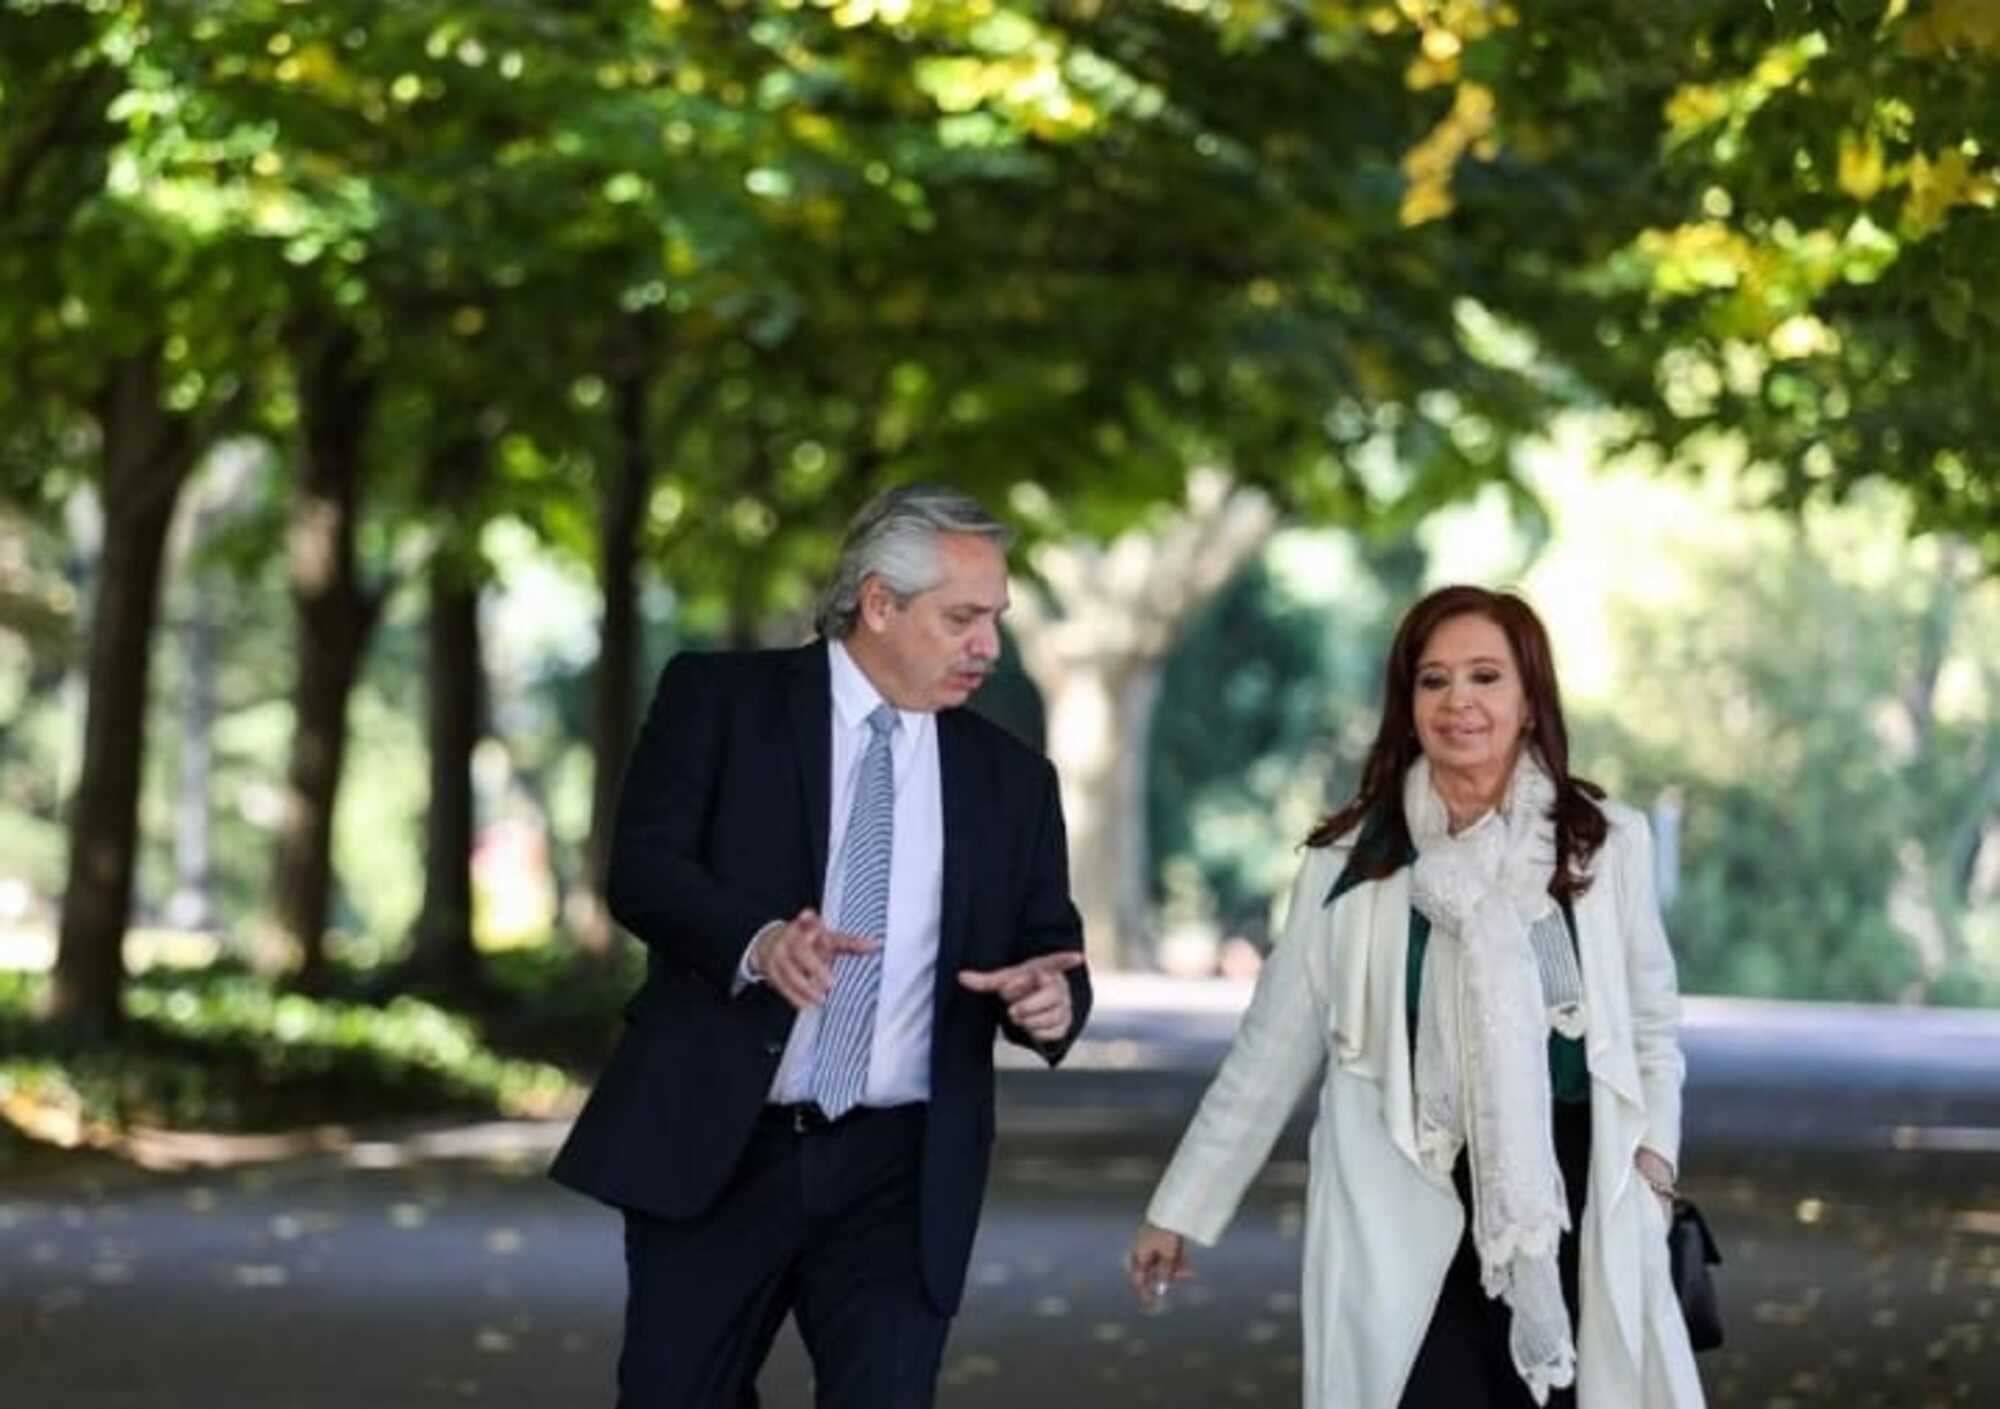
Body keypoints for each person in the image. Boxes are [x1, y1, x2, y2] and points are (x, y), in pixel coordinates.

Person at [554, 483, 1091, 1408]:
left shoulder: (1014, 781)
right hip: (724, 1149)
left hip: (903, 1168)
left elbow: (1052, 948)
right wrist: (758, 942)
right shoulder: (717, 701)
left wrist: (1051, 1007)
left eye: (995, 619)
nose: (988, 648)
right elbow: (643, 870)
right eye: (962, 618)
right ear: (879, 603)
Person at [1129, 585, 1703, 1409]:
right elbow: (1269, 1051)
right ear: (1408, 704)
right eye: (1434, 681)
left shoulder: (1605, 844)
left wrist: (1653, 1167)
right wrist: (1178, 1208)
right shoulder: (1350, 866)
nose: (1459, 701)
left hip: (1573, 1203)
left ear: (1531, 700)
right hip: (1405, 1201)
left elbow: (1652, 1026)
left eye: (1484, 676)